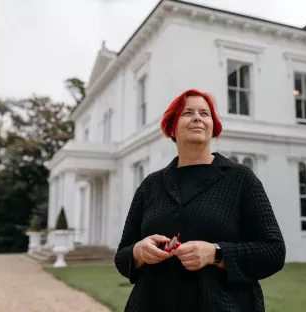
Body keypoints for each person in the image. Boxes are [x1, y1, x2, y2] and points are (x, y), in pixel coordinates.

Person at [114, 89, 286, 312]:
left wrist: (216, 253)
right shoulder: (151, 185)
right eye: (188, 112)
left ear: (213, 126)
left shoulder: (240, 179)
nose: (197, 117)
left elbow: (273, 251)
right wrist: (138, 252)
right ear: (172, 126)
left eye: (205, 113)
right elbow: (122, 257)